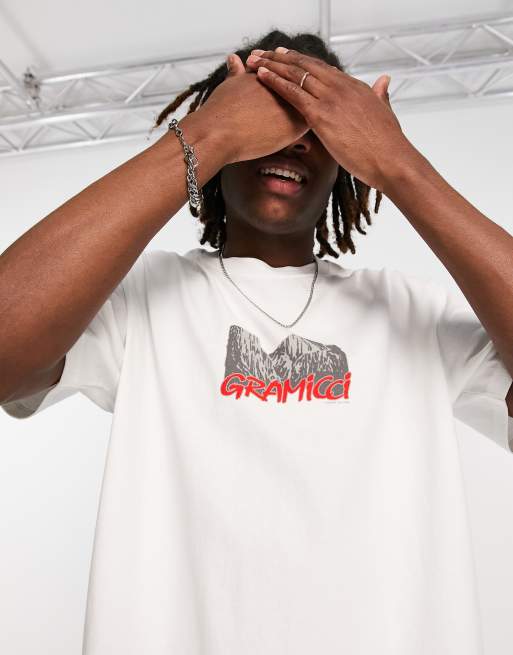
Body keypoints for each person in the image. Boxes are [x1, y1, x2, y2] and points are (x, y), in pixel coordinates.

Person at [1, 29, 512, 655]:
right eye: (270, 112)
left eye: (317, 122)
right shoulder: (141, 301)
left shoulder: (415, 313)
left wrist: (398, 165)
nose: (293, 139)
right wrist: (206, 136)